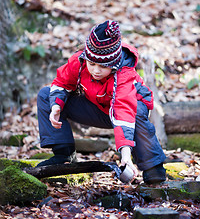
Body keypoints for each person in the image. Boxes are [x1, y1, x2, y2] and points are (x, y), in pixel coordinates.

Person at [36, 20, 166, 184]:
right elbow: (62, 82)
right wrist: (56, 106)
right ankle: (64, 154)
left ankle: (152, 167)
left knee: (137, 112)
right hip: (97, 108)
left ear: (114, 64)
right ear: (86, 58)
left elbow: (123, 111)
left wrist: (125, 154)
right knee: (46, 94)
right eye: (92, 64)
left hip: (128, 113)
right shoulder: (80, 61)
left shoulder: (123, 75)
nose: (96, 70)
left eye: (103, 66)